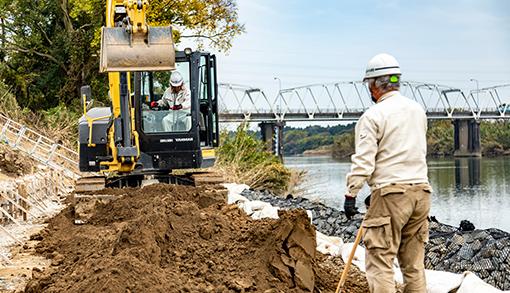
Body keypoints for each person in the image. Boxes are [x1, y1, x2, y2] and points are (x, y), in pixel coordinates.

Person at [344, 53, 432, 293]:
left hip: (391, 195)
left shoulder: (373, 116)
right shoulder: (417, 110)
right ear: (396, 81)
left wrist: (351, 195)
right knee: (413, 264)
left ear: (373, 86)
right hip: (422, 193)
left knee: (380, 261)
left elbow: (363, 162)